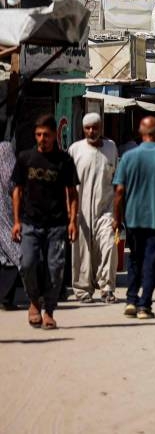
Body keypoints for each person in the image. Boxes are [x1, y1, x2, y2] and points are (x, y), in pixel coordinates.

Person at [11, 115, 79, 329]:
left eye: (46, 135)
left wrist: (72, 221)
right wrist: (16, 221)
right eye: (39, 135)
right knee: (28, 263)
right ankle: (33, 302)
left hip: (57, 224)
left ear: (54, 136)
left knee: (55, 268)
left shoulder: (64, 160)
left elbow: (72, 193)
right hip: (30, 222)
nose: (42, 139)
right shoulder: (25, 158)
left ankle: (48, 310)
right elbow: (17, 191)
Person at [113, 116, 155, 320]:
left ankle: (131, 300)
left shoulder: (128, 157)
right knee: (152, 262)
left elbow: (119, 192)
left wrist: (117, 218)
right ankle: (144, 305)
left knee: (134, 259)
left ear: (141, 132)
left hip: (133, 219)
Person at [67, 114, 119, 304]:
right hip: (80, 211)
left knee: (109, 247)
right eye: (88, 128)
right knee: (81, 252)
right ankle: (82, 290)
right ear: (83, 129)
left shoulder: (111, 148)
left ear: (101, 127)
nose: (92, 131)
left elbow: (117, 182)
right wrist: (70, 215)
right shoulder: (75, 150)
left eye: (95, 127)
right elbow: (68, 185)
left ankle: (107, 288)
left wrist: (117, 214)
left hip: (106, 210)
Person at [0, 142, 19, 310]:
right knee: (14, 251)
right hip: (4, 210)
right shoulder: (4, 149)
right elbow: (10, 182)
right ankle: (5, 298)